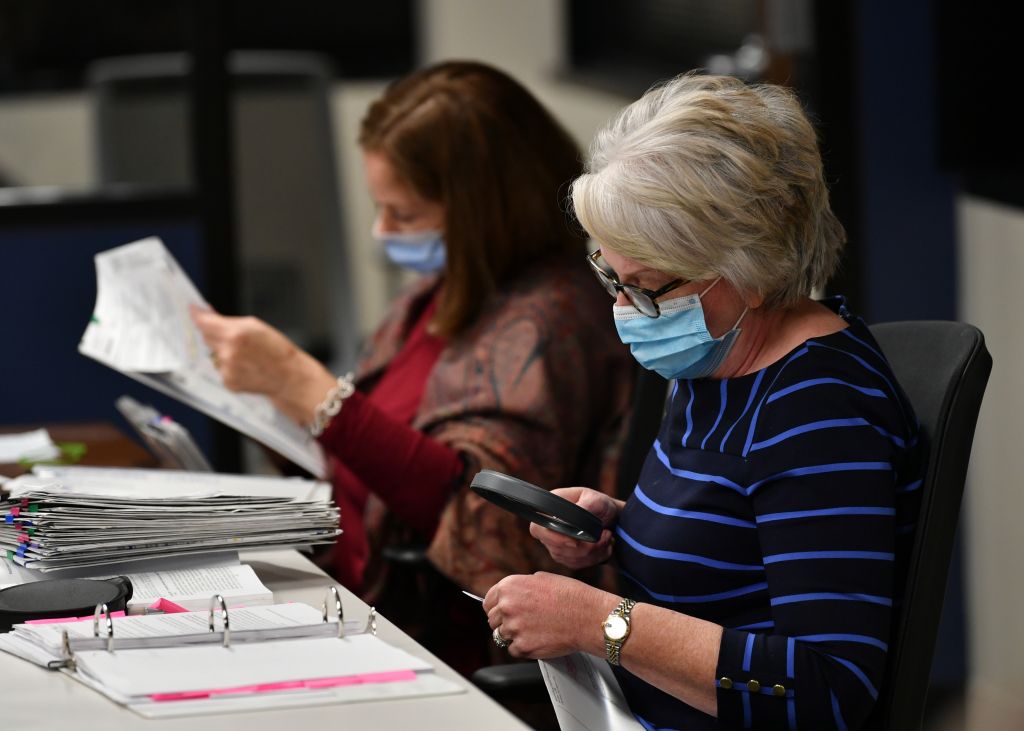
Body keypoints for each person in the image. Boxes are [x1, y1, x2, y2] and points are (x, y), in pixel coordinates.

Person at [483, 72, 923, 730]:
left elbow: (830, 688)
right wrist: (621, 527)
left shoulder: (817, 409)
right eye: (612, 276)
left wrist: (597, 621)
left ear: (752, 268)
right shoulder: (718, 360)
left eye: (648, 286)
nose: (625, 309)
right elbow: (748, 542)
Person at [191, 61, 635, 666]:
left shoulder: (551, 320)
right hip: (338, 590)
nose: (382, 231)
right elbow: (358, 464)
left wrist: (313, 392)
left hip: (429, 640)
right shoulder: (438, 294)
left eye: (402, 214)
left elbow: (487, 522)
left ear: (481, 212)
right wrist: (276, 398)